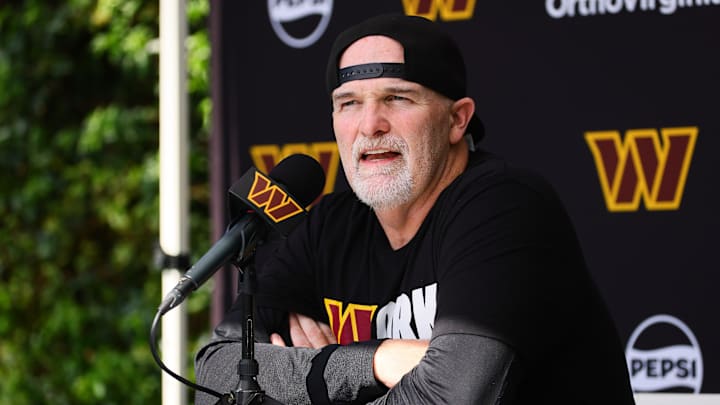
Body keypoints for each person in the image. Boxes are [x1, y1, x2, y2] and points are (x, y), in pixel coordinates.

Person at [195, 14, 635, 404]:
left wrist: (310, 379)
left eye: (397, 98)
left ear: (457, 120)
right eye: (349, 103)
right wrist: (376, 361)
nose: (370, 125)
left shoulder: (506, 206)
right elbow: (216, 370)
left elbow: (454, 394)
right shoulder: (328, 226)